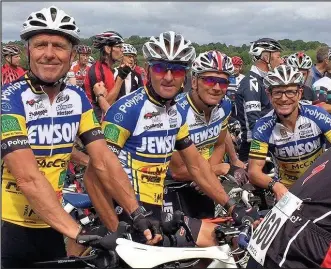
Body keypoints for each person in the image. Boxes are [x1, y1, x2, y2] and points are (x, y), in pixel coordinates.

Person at [1, 6, 161, 268]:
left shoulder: (76, 99)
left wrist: (137, 213)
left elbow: (103, 159)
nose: (49, 54)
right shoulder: (9, 99)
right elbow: (27, 177)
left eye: (59, 46)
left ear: (72, 53)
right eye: (41, 44)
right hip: (10, 227)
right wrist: (79, 233)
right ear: (28, 50)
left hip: (52, 223)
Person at [90, 31, 259, 247]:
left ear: (186, 77)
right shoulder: (126, 111)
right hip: (129, 211)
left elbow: (197, 166)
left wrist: (231, 206)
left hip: (157, 207)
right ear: (149, 70)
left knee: (221, 241)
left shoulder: (174, 113)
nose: (169, 77)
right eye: (161, 68)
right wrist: (117, 232)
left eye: (177, 70)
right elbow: (93, 177)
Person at [166, 50, 247, 219]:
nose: (217, 88)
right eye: (210, 80)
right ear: (194, 82)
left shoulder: (224, 106)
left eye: (223, 82)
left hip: (202, 179)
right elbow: (178, 171)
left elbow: (219, 144)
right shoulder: (176, 112)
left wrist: (209, 176)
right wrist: (216, 170)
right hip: (172, 185)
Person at [248, 65, 331, 202]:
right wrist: (276, 186)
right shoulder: (263, 126)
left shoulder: (317, 115)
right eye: (278, 92)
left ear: (299, 93)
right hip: (288, 190)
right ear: (269, 95)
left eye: (290, 92)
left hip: (318, 183)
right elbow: (254, 172)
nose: (284, 98)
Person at [247, 148, 331, 268]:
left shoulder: (321, 130)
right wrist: (275, 186)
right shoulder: (263, 129)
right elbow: (253, 172)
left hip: (290, 211)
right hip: (296, 235)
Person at [235, 38, 283, 162]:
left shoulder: (262, 80)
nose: (281, 61)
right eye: (278, 56)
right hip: (254, 146)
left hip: (264, 142)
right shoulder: (252, 82)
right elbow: (254, 123)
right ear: (266, 57)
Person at [84, 31, 131, 122]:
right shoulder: (98, 70)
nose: (122, 50)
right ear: (108, 49)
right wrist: (120, 78)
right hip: (96, 120)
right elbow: (106, 103)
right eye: (118, 47)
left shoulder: (107, 69)